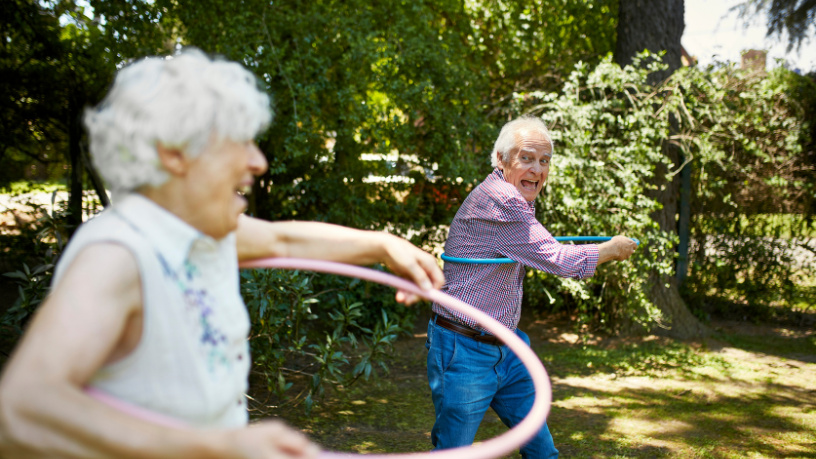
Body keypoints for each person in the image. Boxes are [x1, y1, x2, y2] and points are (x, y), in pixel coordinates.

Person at [0, 49, 443, 459]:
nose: (258, 162)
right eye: (240, 142)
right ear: (174, 153)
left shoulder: (198, 232)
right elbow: (21, 410)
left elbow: (282, 241)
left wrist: (384, 246)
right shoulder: (118, 255)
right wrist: (214, 448)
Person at [426, 116, 637, 459]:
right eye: (526, 158)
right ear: (501, 159)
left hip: (508, 348)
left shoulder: (517, 199)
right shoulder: (502, 201)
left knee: (543, 452)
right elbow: (557, 258)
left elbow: (539, 248)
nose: (537, 170)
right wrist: (609, 250)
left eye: (544, 161)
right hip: (463, 347)